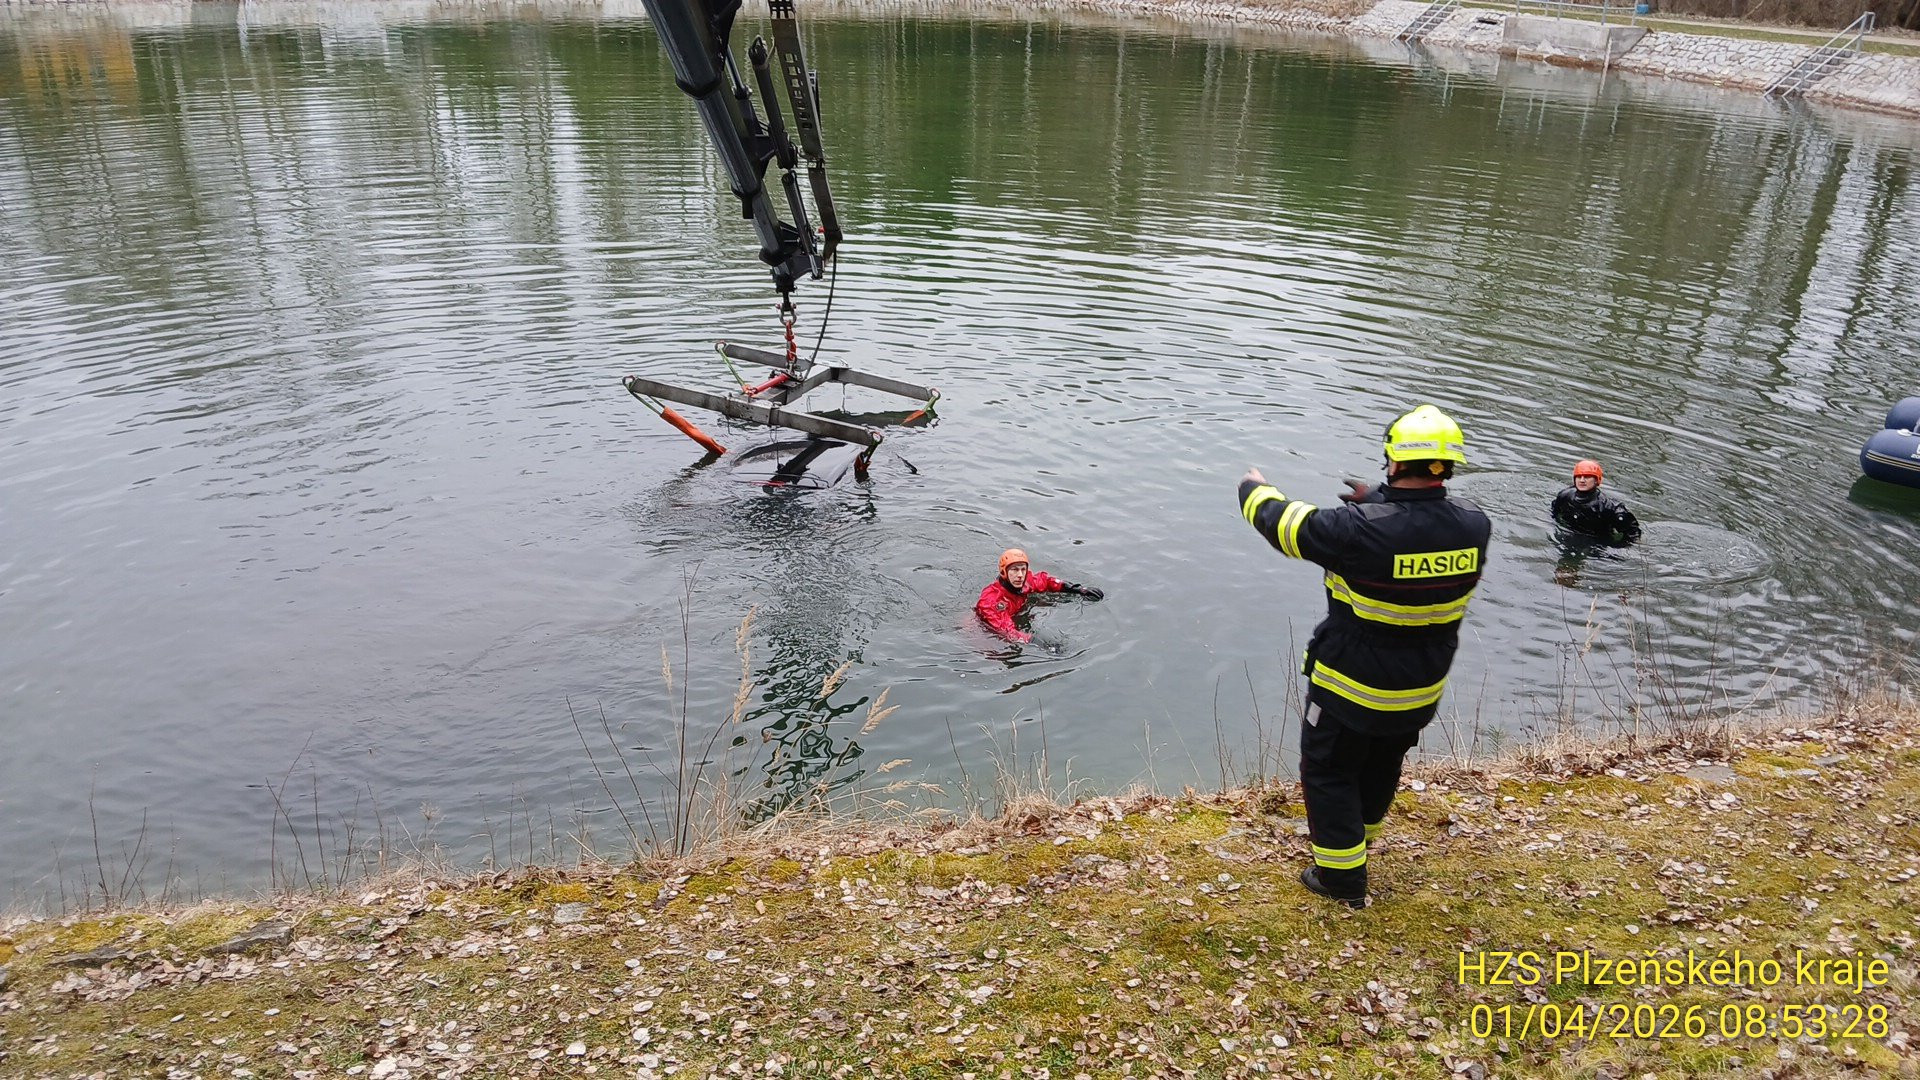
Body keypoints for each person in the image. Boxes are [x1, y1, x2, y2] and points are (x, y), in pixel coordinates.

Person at [1236, 405, 1491, 909]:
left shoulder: (1352, 531)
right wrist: (1380, 500)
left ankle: (1341, 878)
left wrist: (1251, 485)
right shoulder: (1474, 526)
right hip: (1420, 688)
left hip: (1349, 686)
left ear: (1393, 460)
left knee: (1329, 770)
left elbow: (1278, 522)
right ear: (1449, 465)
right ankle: (1359, 840)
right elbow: (1419, 526)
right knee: (1383, 762)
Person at [974, 548, 1104, 644]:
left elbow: (1046, 581)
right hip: (980, 631)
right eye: (1014, 570)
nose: (1020, 575)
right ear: (1004, 572)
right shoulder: (993, 600)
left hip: (1016, 613)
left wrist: (1077, 589)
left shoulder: (1025, 583)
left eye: (1023, 569)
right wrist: (1037, 642)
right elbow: (1007, 631)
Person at [1551, 460, 1641, 545]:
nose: (1582, 480)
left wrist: (1617, 547)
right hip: (1570, 535)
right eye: (1578, 476)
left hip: (1599, 543)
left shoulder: (1608, 506)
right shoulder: (1564, 496)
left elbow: (1633, 533)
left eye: (1587, 477)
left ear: (1596, 480)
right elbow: (1554, 512)